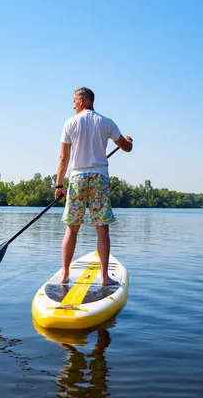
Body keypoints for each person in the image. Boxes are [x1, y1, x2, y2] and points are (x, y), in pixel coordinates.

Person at [55, 87, 133, 285]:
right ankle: (104, 277)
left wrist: (59, 185)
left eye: (74, 101)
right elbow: (126, 147)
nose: (73, 105)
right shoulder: (106, 122)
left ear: (82, 101)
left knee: (72, 229)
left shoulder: (70, 123)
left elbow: (64, 158)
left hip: (78, 179)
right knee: (102, 228)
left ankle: (64, 274)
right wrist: (129, 140)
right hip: (99, 178)